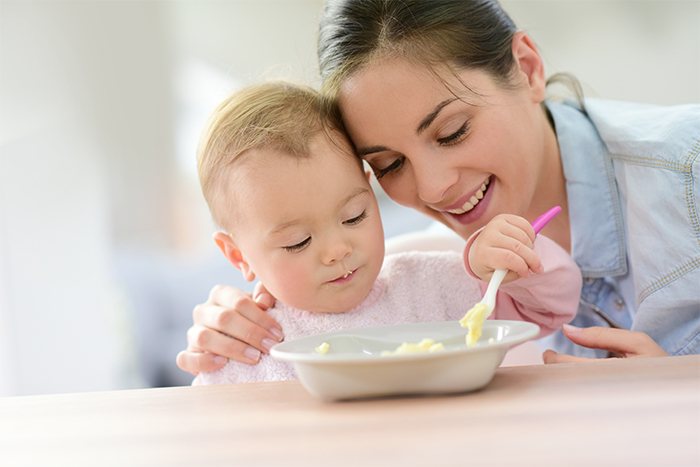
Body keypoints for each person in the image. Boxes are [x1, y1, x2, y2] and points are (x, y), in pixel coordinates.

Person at [177, 0, 698, 375]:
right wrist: (240, 329)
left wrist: (677, 399)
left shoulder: (687, 172)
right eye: (389, 165)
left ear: (528, 69)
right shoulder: (430, 275)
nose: (432, 188)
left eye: (452, 131)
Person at [191, 80, 579, 384]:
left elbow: (554, 305)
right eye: (299, 242)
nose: (338, 249)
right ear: (239, 256)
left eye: (354, 216)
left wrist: (509, 257)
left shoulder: (435, 284)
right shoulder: (247, 342)